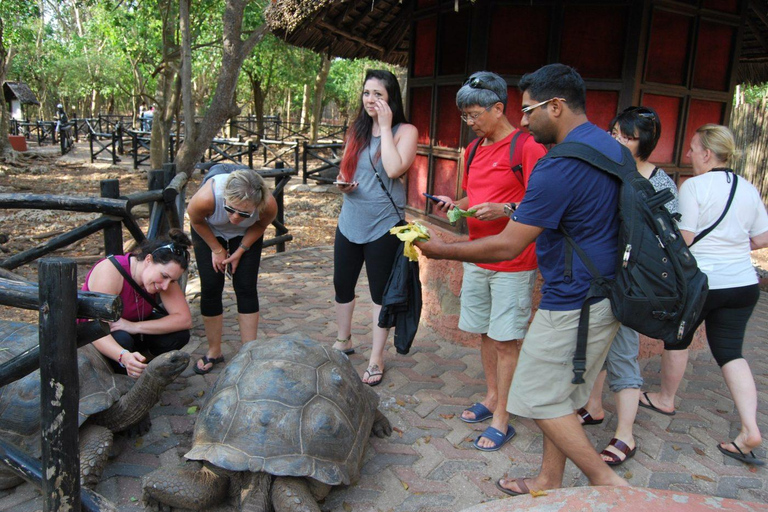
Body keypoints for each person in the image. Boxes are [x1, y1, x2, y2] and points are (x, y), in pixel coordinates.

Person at [416, 63, 629, 494]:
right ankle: (548, 480)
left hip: (574, 298)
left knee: (535, 395)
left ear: (556, 105)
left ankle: (606, 483)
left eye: (530, 110)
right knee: (563, 397)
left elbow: (509, 244)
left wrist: (442, 250)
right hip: (606, 291)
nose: (526, 119)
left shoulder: (556, 163)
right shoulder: (612, 148)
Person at [639, 124, 768, 466]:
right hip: (743, 284)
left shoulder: (694, 186)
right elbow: (762, 238)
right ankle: (749, 428)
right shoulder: (748, 187)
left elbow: (685, 237)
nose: (689, 154)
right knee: (730, 352)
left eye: (693, 148)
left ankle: (666, 399)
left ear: (708, 154)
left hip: (703, 283)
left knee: (678, 339)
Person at [431, 71, 545, 451]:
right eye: (465, 116)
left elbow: (542, 201)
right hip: (477, 257)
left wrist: (506, 207)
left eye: (475, 114)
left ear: (499, 108)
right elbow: (470, 197)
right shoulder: (474, 149)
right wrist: (455, 206)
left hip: (513, 260)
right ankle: (493, 395)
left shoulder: (527, 147)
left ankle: (503, 418)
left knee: (506, 339)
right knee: (484, 331)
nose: (470, 122)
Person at [575, 106, 678, 466]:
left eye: (627, 136)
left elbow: (669, 237)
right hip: (598, 276)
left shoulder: (659, 182)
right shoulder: (606, 169)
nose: (617, 139)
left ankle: (626, 436)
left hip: (630, 284)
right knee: (595, 348)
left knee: (622, 354)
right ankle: (593, 407)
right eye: (615, 131)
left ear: (644, 142)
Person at [331, 69, 418, 387]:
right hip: (350, 220)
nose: (371, 100)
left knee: (380, 293)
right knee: (342, 286)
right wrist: (342, 183)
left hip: (384, 225)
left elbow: (395, 168)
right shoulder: (357, 129)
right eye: (367, 93)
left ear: (391, 98)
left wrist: (384, 126)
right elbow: (346, 168)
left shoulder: (405, 130)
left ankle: (376, 358)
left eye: (378, 94)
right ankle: (343, 340)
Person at [189, 165, 277, 374]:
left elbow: (260, 226)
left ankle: (248, 352)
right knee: (211, 285)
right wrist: (217, 249)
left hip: (247, 234)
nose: (236, 218)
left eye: (244, 213)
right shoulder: (206, 198)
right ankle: (214, 351)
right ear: (224, 198)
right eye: (231, 209)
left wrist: (241, 250)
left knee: (245, 286)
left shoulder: (268, 205)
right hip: (209, 229)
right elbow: (196, 220)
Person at [82, 230, 193, 379]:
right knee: (122, 339)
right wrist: (123, 356)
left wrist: (133, 327)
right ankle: (122, 375)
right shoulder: (111, 272)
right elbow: (95, 330)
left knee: (178, 335)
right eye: (164, 276)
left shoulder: (164, 278)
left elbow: (184, 320)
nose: (166, 286)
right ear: (148, 260)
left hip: (131, 329)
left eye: (172, 281)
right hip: (95, 337)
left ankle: (144, 365)